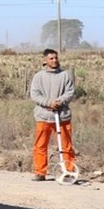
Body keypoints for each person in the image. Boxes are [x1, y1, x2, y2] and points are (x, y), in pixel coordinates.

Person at [29, 48, 75, 182]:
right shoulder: (39, 76)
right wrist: (49, 103)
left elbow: (70, 92)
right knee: (40, 146)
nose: (54, 60)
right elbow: (35, 95)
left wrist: (59, 102)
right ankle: (40, 172)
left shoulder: (65, 75)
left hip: (62, 116)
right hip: (43, 117)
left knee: (66, 146)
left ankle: (68, 171)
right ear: (45, 60)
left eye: (56, 58)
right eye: (51, 58)